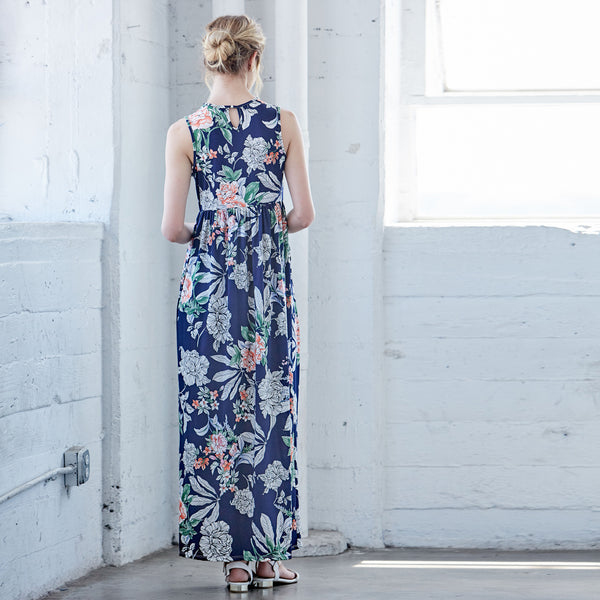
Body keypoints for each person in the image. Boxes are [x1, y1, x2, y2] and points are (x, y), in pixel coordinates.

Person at [161, 14, 314, 593]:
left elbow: (172, 228)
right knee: (270, 412)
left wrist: (213, 231)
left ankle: (235, 563)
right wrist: (264, 226)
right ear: (254, 60)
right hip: (267, 291)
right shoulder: (282, 123)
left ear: (210, 60)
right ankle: (269, 556)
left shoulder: (184, 132)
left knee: (216, 417)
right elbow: (304, 214)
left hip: (209, 294)